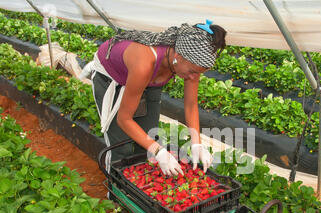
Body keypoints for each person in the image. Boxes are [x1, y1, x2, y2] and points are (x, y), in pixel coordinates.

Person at [81, 20, 227, 176]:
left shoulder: (192, 64)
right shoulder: (144, 63)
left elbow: (191, 105)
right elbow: (123, 119)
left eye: (198, 73)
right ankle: (116, 193)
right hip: (112, 77)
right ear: (178, 55)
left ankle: (137, 185)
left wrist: (197, 144)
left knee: (149, 137)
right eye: (192, 71)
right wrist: (159, 151)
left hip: (151, 79)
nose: (193, 77)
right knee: (120, 147)